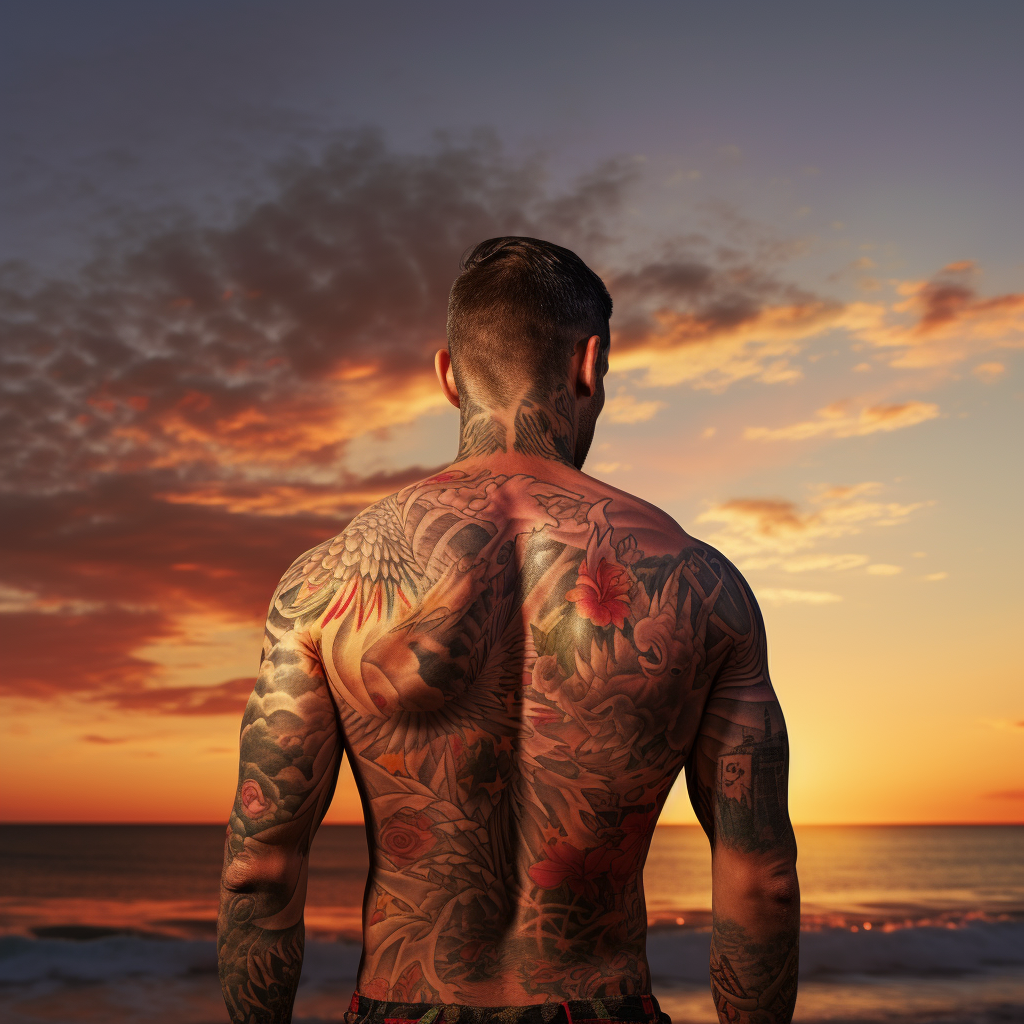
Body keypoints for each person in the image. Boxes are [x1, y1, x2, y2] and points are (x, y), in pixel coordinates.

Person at [217, 237, 799, 1024]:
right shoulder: (699, 583)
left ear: (449, 376)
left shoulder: (324, 583)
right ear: (590, 362)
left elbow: (259, 869)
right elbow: (761, 879)